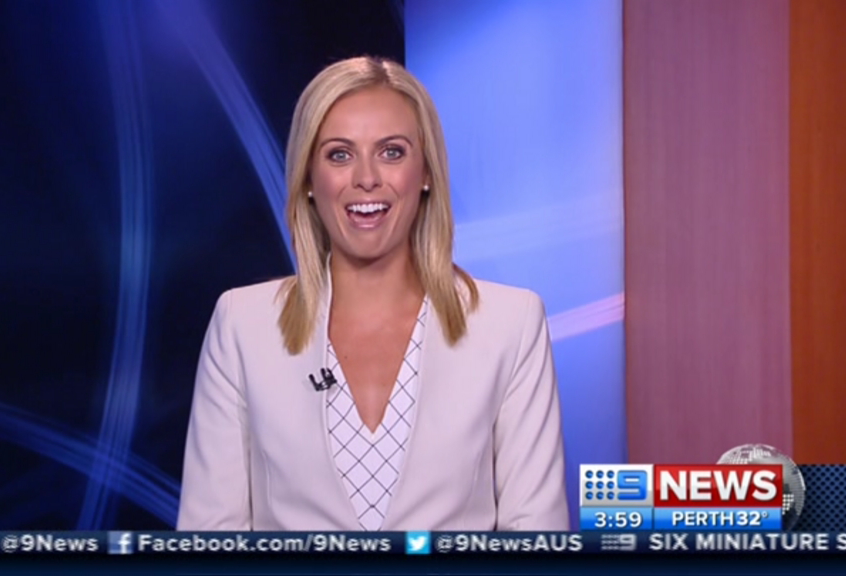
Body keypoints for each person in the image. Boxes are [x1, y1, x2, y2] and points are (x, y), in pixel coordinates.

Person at [177, 56, 569, 531]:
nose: (367, 178)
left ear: (426, 173)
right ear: (308, 179)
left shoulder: (510, 323)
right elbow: (211, 537)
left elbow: (535, 536)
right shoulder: (243, 324)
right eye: (340, 155)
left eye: (391, 152)